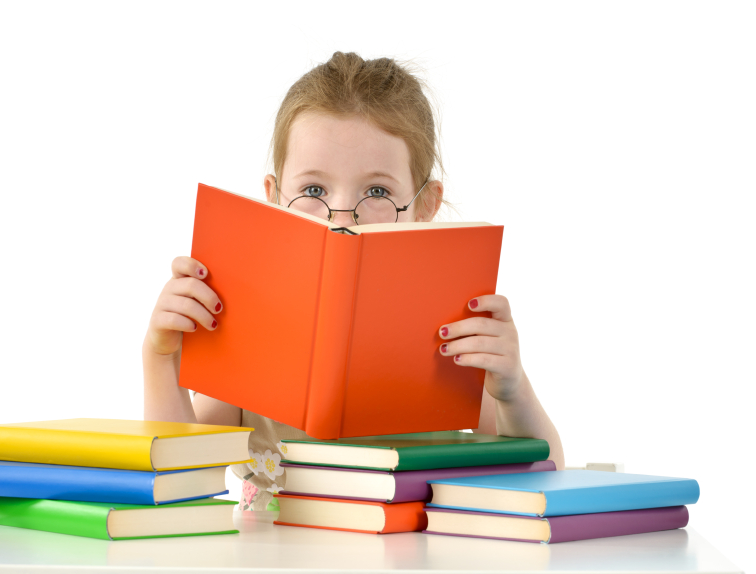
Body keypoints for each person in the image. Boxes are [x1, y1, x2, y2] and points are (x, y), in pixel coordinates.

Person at [143, 52, 564, 511]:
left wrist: (512, 387)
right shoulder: (251, 337)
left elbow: (547, 484)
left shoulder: (457, 346)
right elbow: (178, 479)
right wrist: (160, 359)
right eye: (314, 191)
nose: (343, 216)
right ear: (273, 197)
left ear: (425, 205)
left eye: (377, 192)